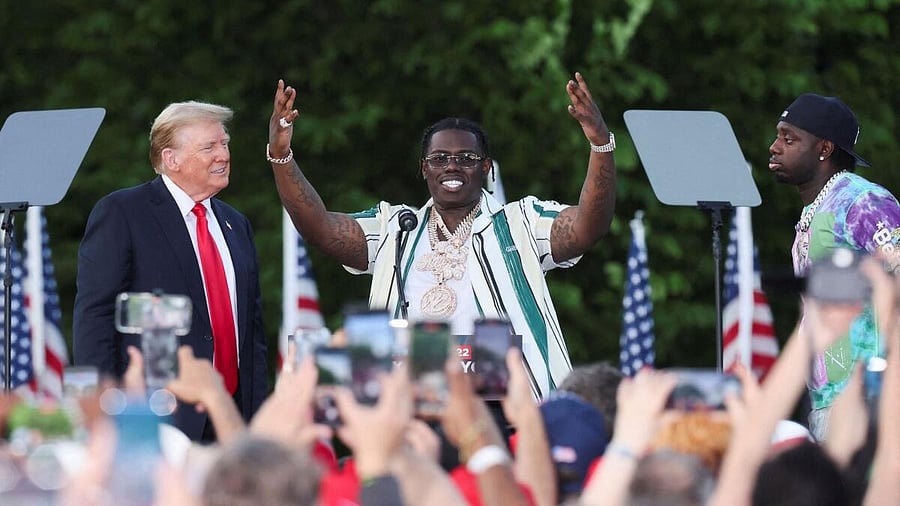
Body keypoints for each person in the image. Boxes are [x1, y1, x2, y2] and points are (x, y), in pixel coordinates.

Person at [267, 73, 617, 397]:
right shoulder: (396, 228)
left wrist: (600, 144)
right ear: (424, 169)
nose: (452, 165)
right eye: (439, 158)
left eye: (466, 157)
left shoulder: (521, 221)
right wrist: (282, 157)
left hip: (510, 408)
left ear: (486, 168)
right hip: (409, 409)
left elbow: (588, 226)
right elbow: (321, 229)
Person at [73, 101, 268, 442]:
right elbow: (94, 316)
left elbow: (252, 330)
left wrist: (257, 414)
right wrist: (102, 407)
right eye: (209, 147)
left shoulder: (236, 224)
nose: (223, 155)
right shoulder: (123, 213)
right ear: (170, 159)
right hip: (155, 413)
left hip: (233, 418)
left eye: (224, 144)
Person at [767, 93, 900, 440]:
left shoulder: (862, 199)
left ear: (824, 149)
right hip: (830, 399)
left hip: (871, 397)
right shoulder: (821, 205)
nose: (774, 147)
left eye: (788, 138)